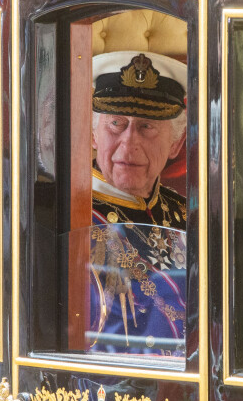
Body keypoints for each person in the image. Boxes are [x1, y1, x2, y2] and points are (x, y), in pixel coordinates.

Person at [87, 51, 188, 356]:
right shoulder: (68, 216)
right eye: (116, 123)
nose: (129, 143)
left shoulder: (189, 213)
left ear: (176, 143)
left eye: (146, 126)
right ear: (93, 134)